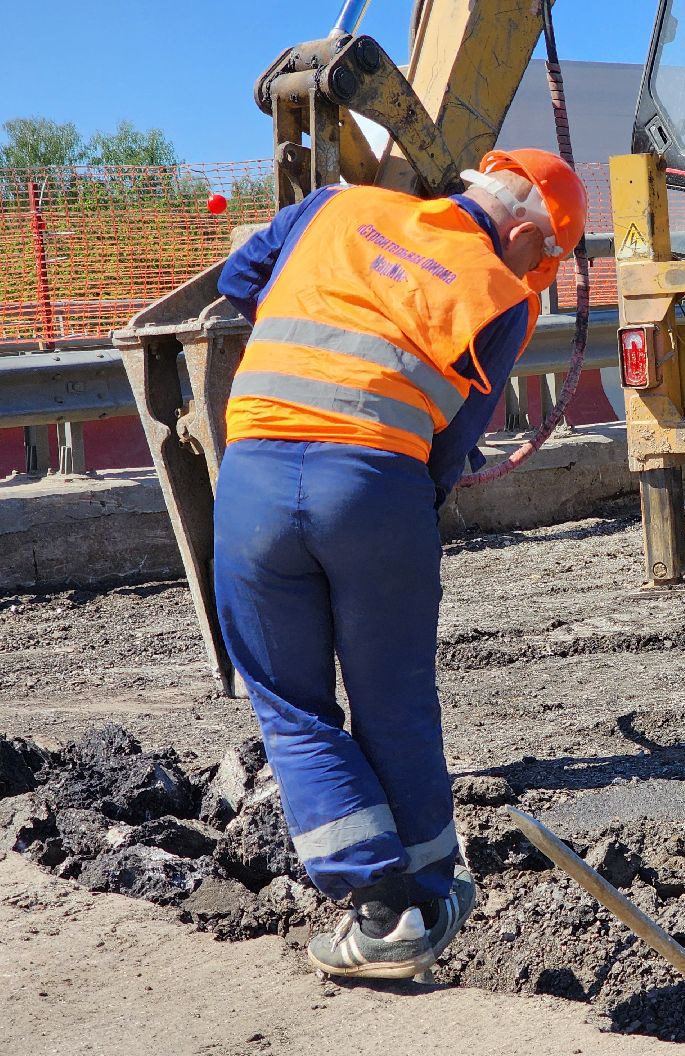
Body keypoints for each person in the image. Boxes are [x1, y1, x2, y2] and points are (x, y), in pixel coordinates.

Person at [212, 149, 587, 979]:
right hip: (377, 490)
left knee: (292, 705)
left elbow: (239, 280)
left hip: (255, 479)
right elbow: (450, 448)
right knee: (397, 703)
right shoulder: (501, 295)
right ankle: (427, 892)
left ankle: (380, 913)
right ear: (524, 231)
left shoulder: (334, 209)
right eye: (546, 260)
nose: (538, 275)